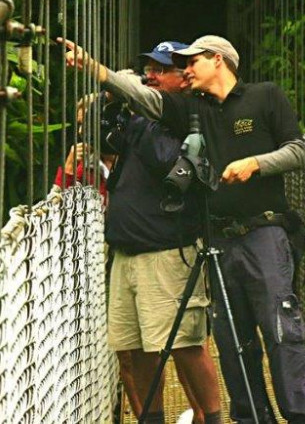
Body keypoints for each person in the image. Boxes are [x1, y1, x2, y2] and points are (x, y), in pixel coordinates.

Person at [67, 35, 305, 424]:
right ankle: (251, 419)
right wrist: (96, 70)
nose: (186, 69)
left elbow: (295, 149)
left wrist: (254, 163)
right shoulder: (191, 109)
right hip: (219, 239)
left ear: (218, 60)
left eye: (192, 61)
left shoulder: (265, 96)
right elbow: (147, 101)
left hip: (264, 233)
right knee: (232, 340)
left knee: (280, 331)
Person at [83, 41, 225, 424]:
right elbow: (97, 134)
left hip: (167, 251)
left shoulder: (194, 114)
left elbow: (170, 165)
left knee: (184, 344)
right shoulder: (140, 117)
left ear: (185, 78)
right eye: (149, 69)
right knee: (134, 349)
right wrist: (108, 96)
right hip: (126, 251)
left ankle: (211, 419)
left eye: (161, 70)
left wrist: (135, 112)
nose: (151, 76)